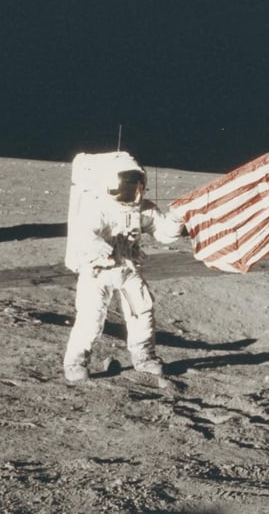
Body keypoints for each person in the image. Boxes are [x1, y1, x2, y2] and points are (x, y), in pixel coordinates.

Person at [62, 152, 185, 383]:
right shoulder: (98, 207)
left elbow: (163, 234)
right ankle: (76, 361)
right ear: (111, 184)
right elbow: (83, 232)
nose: (135, 193)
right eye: (129, 187)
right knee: (91, 317)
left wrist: (176, 220)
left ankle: (144, 357)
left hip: (128, 269)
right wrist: (96, 245)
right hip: (98, 271)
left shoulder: (143, 209)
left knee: (142, 313)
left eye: (139, 186)